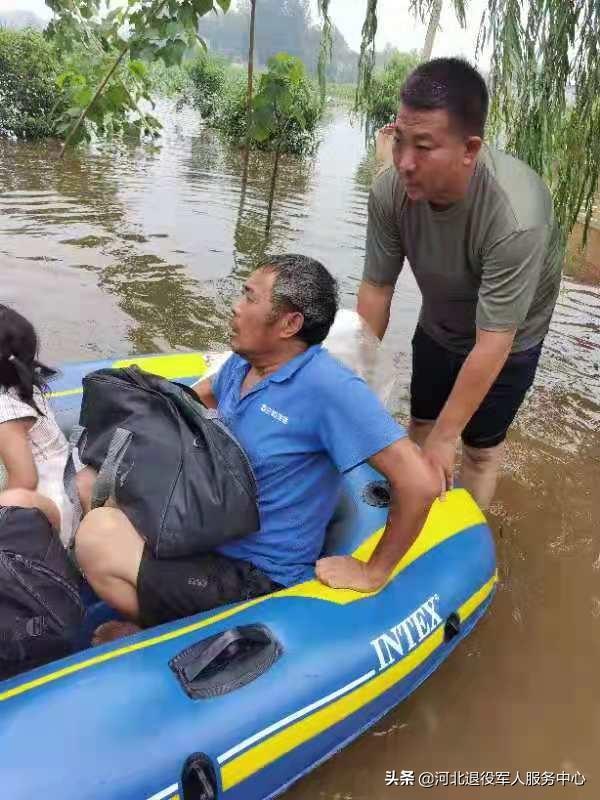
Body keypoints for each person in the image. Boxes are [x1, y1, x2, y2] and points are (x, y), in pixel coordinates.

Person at [75, 254, 440, 638]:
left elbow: (419, 482)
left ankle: (161, 632)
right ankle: (160, 605)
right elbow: (194, 404)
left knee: (98, 537)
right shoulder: (244, 364)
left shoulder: (329, 388)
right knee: (92, 483)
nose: (236, 306)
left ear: (290, 323)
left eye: (250, 298)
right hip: (208, 527)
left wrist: (373, 571)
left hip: (255, 571)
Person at [357, 58, 563, 509]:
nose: (405, 163)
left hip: (510, 337)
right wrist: (353, 382)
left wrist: (448, 438)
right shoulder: (390, 193)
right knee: (422, 423)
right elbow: (376, 291)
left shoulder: (514, 219)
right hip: (440, 321)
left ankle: (464, 540)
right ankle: (406, 511)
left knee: (478, 449)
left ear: (469, 149)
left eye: (424, 147)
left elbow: (493, 343)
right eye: (399, 141)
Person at [0, 305, 73, 541]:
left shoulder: (5, 414)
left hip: (51, 511)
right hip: (66, 483)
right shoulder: (25, 382)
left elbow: (25, 481)